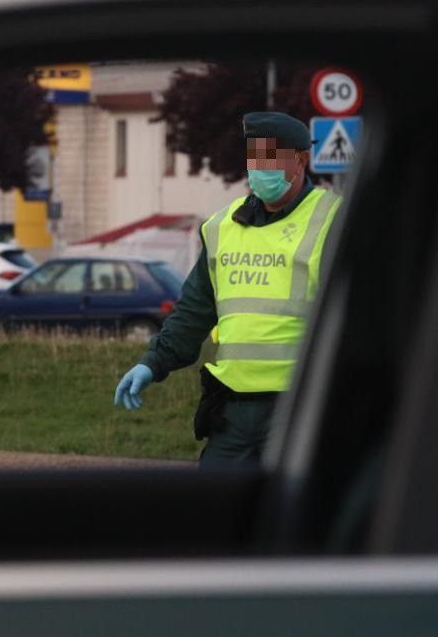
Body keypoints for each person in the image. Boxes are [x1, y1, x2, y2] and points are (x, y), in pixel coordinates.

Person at [114, 111, 341, 467]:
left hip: (298, 406)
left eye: (272, 157)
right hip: (232, 409)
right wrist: (153, 363)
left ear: (301, 160)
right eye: (255, 156)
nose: (260, 167)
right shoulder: (222, 226)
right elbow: (193, 310)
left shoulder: (332, 220)